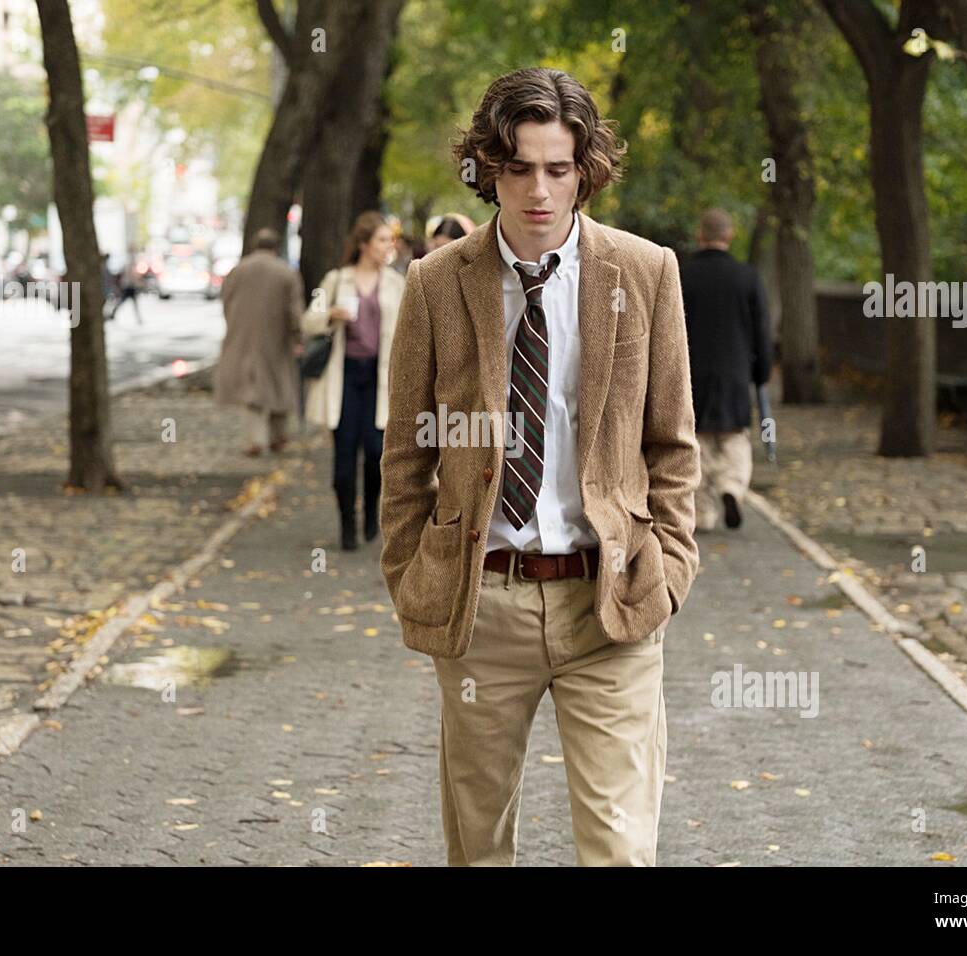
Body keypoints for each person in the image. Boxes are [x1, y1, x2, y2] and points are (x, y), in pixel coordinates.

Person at [379, 67, 701, 866]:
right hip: (482, 603)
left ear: (584, 169)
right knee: (479, 848)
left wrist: (671, 566)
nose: (538, 190)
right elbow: (406, 454)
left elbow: (673, 442)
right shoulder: (434, 284)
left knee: (620, 850)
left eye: (558, 169)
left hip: (612, 602)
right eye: (518, 166)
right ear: (489, 166)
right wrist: (409, 570)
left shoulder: (646, 271)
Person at [301, 211, 405, 551]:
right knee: (344, 458)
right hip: (343, 375)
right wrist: (330, 315)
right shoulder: (336, 280)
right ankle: (347, 524)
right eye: (381, 240)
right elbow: (307, 320)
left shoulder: (396, 283)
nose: (388, 246)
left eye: (390, 240)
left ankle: (371, 510)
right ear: (363, 243)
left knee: (377, 452)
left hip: (380, 378)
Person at [677, 207, 773, 531]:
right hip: (734, 373)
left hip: (691, 373)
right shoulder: (747, 277)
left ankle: (702, 512)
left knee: (698, 442)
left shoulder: (682, 274)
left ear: (699, 235)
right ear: (729, 236)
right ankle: (732, 486)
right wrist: (761, 372)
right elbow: (762, 331)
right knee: (734, 439)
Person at [215, 227, 304, 456]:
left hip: (243, 334)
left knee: (250, 387)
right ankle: (278, 436)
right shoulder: (286, 272)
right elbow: (295, 311)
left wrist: (233, 325)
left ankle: (255, 439)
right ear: (276, 246)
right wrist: (297, 336)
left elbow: (226, 301)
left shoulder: (237, 271)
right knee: (279, 384)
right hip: (277, 336)